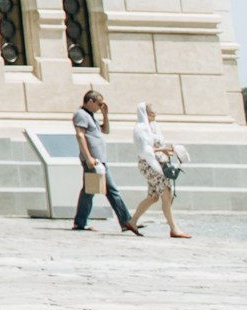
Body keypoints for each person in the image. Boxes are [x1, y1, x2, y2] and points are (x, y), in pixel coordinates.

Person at [72, 90, 138, 233]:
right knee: (110, 190)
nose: (100, 106)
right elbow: (80, 135)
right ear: (90, 101)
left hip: (99, 159)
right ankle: (127, 221)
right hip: (94, 160)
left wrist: (105, 115)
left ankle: (80, 222)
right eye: (99, 103)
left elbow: (105, 130)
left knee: (89, 191)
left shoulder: (92, 116)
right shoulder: (81, 114)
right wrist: (89, 157)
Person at [130, 104, 192, 239]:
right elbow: (144, 149)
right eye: (152, 112)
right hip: (149, 164)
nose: (155, 115)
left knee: (153, 197)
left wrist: (171, 149)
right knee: (166, 195)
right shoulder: (140, 129)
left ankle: (132, 221)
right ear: (145, 113)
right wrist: (161, 150)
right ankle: (174, 229)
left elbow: (157, 144)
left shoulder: (153, 127)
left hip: (157, 163)